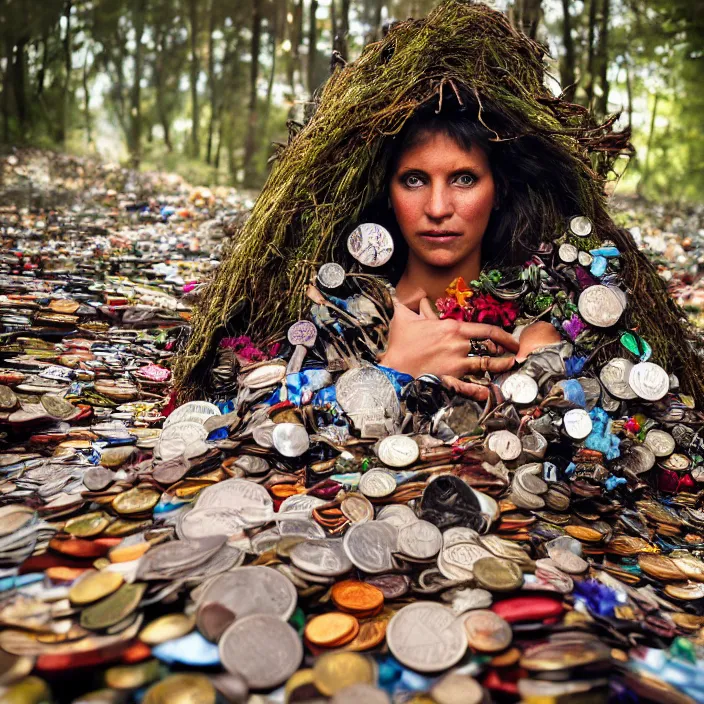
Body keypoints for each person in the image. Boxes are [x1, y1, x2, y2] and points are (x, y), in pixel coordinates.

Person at [175, 0, 703, 407]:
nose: (437, 207)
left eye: (465, 179)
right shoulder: (327, 312)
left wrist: (545, 373)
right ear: (387, 192)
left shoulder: (545, 320)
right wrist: (392, 369)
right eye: (413, 180)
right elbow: (245, 426)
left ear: (498, 193)